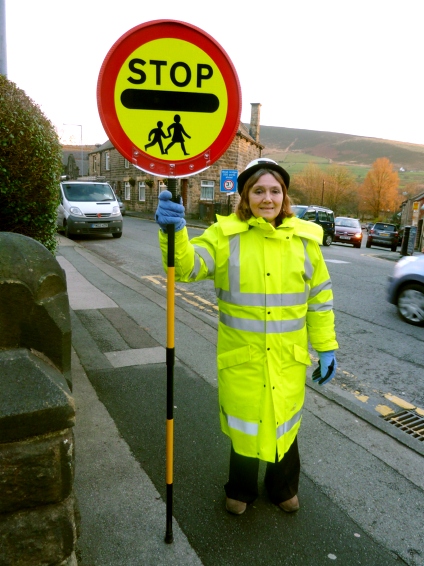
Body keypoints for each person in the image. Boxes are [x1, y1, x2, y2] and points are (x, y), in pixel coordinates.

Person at [155, 158, 338, 516]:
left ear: (284, 196)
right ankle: (240, 490)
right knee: (245, 428)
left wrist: (327, 347)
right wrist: (172, 232)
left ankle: (283, 487)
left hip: (287, 359)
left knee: (284, 424)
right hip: (244, 359)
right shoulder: (225, 237)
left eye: (274, 190)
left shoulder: (305, 242)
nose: (267, 198)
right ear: (245, 196)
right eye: (258, 190)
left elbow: (320, 300)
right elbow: (189, 267)